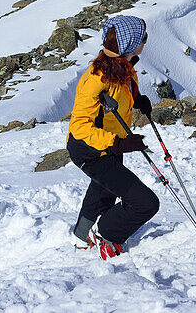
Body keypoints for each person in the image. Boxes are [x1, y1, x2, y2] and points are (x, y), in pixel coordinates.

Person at [66, 14, 159, 259]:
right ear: (128, 43)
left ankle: (81, 236)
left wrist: (137, 100)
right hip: (92, 149)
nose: (145, 41)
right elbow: (79, 127)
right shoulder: (98, 78)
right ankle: (106, 232)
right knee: (145, 203)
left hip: (108, 145)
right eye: (143, 38)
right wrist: (118, 144)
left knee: (104, 190)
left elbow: (119, 97)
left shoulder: (123, 68)